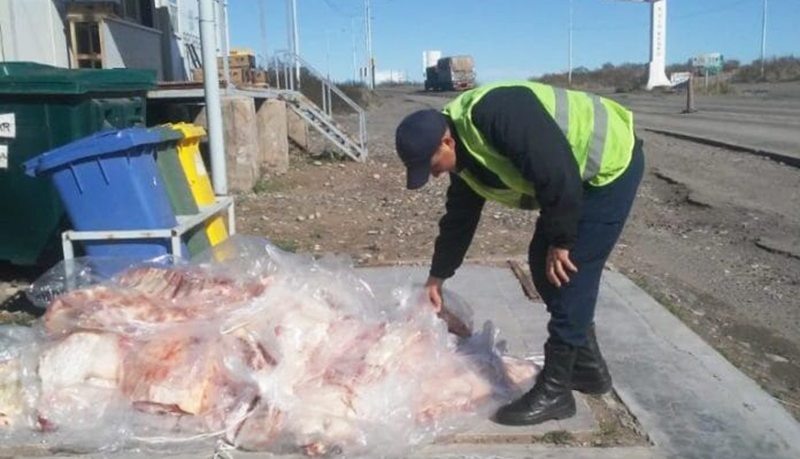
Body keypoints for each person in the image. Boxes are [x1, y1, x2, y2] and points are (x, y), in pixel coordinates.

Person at [394, 81, 644, 426]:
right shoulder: (464, 158)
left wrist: (563, 241)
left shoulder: (498, 114)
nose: (434, 175)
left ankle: (556, 391)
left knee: (571, 272)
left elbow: (557, 171)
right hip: (569, 179)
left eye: (433, 165)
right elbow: (459, 219)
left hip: (606, 168)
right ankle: (588, 370)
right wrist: (438, 276)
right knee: (543, 267)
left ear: (447, 141)